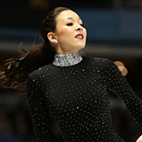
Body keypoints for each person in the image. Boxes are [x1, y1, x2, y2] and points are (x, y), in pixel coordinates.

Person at [0, 6, 142, 142]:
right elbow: (44, 135)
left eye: (81, 23)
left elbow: (134, 104)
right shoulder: (38, 79)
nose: (79, 27)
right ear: (53, 37)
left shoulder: (102, 66)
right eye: (69, 23)